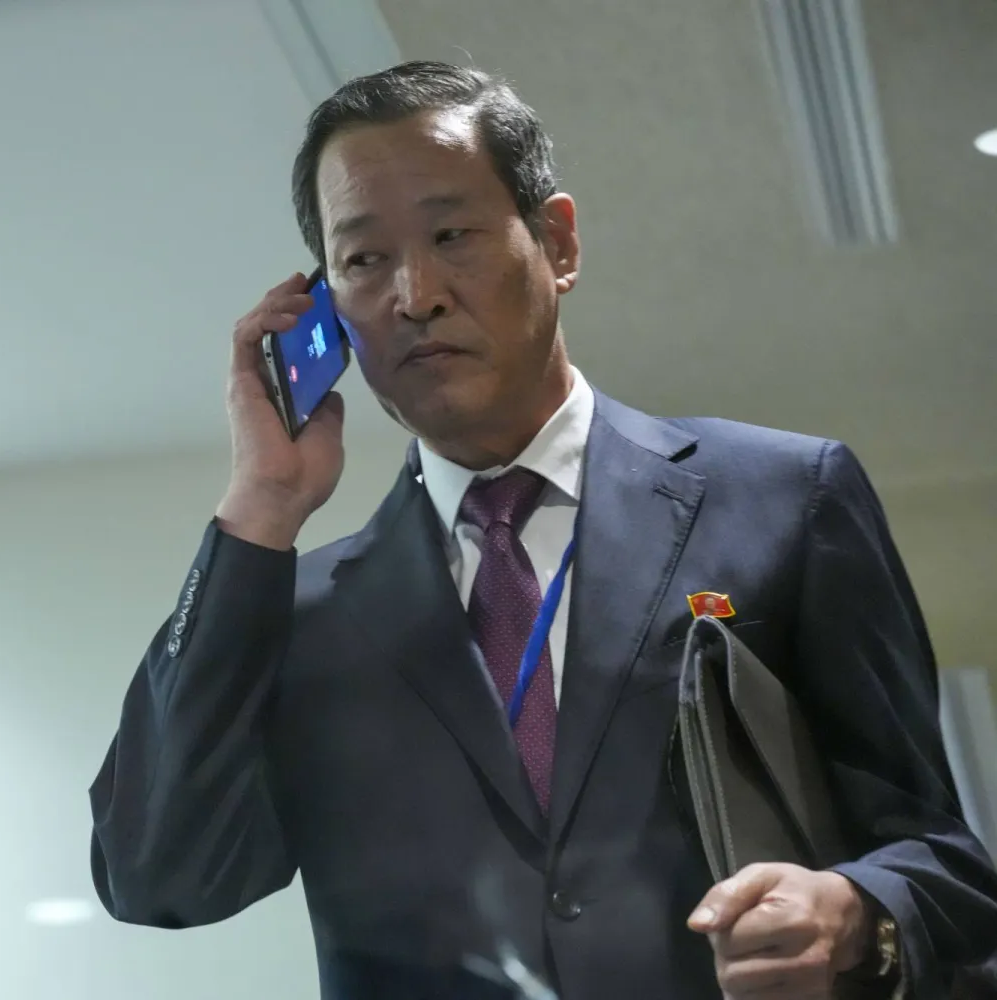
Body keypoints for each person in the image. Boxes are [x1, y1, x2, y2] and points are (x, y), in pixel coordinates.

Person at [88, 61, 997, 1000]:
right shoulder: (300, 613)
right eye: (364, 261)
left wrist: (852, 911)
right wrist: (259, 508)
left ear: (556, 243)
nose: (416, 293)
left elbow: (944, 860)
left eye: (452, 235)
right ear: (328, 314)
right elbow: (156, 875)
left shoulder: (783, 497)